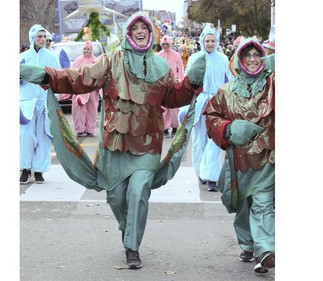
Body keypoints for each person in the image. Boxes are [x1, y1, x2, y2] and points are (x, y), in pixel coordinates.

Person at [20, 11, 205, 269]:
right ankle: (128, 229)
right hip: (115, 145)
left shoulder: (161, 67)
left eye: (145, 26)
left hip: (148, 145)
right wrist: (47, 76)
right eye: (136, 26)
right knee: (117, 198)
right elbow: (80, 79)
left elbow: (172, 98)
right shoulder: (110, 60)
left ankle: (132, 246)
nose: (140, 30)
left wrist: (191, 83)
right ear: (129, 32)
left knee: (139, 190)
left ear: (150, 33)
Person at [203, 37, 275, 274]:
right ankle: (247, 243)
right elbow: (211, 116)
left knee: (263, 203)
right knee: (244, 204)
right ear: (240, 59)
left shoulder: (274, 84)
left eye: (257, 55)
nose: (253, 59)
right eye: (248, 55)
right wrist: (228, 129)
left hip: (268, 158)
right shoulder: (227, 91)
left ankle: (265, 250)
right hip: (240, 160)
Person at [191, 26, 234, 191]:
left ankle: (212, 177)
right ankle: (201, 171)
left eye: (213, 41)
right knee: (199, 140)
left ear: (217, 41)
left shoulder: (223, 59)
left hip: (217, 103)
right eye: (207, 41)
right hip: (199, 103)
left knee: (215, 139)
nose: (210, 44)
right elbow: (189, 82)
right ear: (202, 41)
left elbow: (230, 80)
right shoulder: (196, 58)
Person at [19, 24, 61, 184]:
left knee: (43, 137)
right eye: (39, 36)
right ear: (32, 38)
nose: (43, 39)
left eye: (44, 36)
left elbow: (58, 78)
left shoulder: (52, 57)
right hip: (27, 103)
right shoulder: (22, 57)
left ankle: (39, 170)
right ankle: (25, 168)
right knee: (26, 136)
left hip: (44, 103)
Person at [71, 41, 101, 137]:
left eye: (88, 49)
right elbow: (72, 72)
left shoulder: (96, 60)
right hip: (79, 89)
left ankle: (90, 130)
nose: (86, 51)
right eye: (85, 49)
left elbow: (99, 74)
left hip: (91, 89)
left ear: (91, 50)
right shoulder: (77, 60)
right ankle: (80, 129)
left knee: (91, 109)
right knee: (78, 109)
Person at [157, 35, 185, 138]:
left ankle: (175, 127)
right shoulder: (158, 55)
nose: (165, 46)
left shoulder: (176, 55)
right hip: (163, 85)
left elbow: (181, 69)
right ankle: (164, 128)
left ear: (170, 44)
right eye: (163, 44)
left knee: (174, 108)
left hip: (174, 85)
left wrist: (181, 83)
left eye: (167, 44)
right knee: (163, 108)